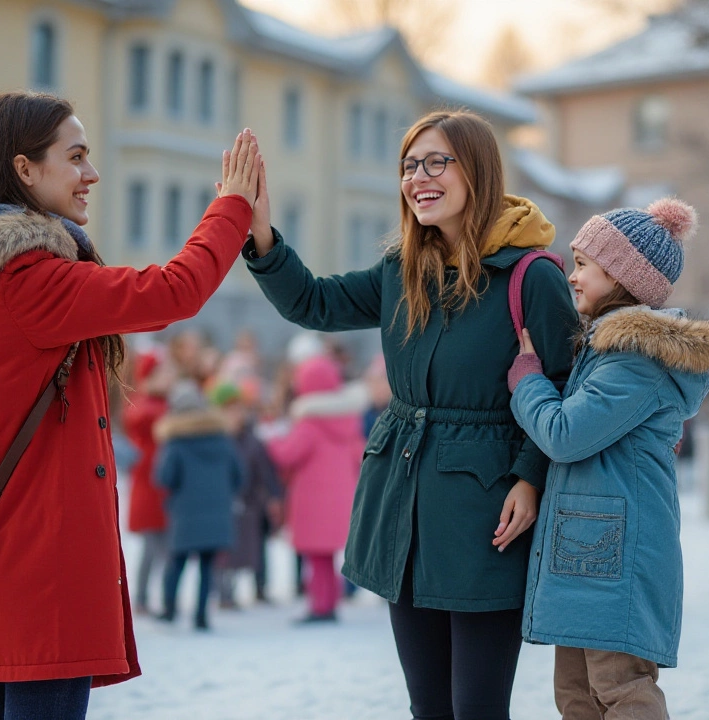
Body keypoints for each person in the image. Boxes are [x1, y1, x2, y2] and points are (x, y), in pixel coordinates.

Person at [0, 90, 260, 718]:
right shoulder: (28, 279)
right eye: (76, 156)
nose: (91, 174)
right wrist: (233, 208)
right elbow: (174, 290)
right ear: (25, 169)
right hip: (44, 577)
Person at [243, 109, 577, 719]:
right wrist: (263, 236)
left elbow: (561, 384)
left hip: (485, 515)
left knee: (476, 708)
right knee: (429, 708)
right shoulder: (402, 270)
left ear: (476, 170)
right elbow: (315, 302)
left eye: (436, 162)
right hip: (404, 513)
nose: (419, 177)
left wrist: (531, 477)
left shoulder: (532, 277)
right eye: (409, 165)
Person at [507, 199, 709, 719]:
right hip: (589, 557)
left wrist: (528, 380)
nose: (573, 275)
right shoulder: (606, 351)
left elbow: (564, 434)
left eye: (585, 264)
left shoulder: (636, 360)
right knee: (578, 698)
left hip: (616, 559)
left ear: (624, 275)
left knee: (621, 691)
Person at [266, 353, 365, 623]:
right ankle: (330, 603)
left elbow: (287, 454)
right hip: (341, 499)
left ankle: (320, 606)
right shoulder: (349, 421)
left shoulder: (309, 423)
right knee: (328, 557)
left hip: (312, 501)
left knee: (316, 559)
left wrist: (272, 439)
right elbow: (360, 455)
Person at [154, 384, 242, 630]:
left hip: (185, 513)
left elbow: (164, 478)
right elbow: (239, 475)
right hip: (217, 512)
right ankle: (201, 616)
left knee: (177, 563)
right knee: (207, 566)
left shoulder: (175, 441)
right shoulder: (222, 438)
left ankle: (169, 609)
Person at [209, 380, 283, 607]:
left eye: (238, 408)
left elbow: (265, 470)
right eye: (229, 409)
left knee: (257, 545)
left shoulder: (252, 439)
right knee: (224, 551)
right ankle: (224, 593)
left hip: (252, 502)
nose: (235, 414)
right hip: (223, 502)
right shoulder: (215, 440)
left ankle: (260, 586)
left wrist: (273, 496)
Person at [122, 351, 173, 615]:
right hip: (151, 487)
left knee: (157, 547)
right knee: (155, 547)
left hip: (159, 486)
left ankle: (152, 597)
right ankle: (147, 597)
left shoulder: (155, 406)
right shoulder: (148, 408)